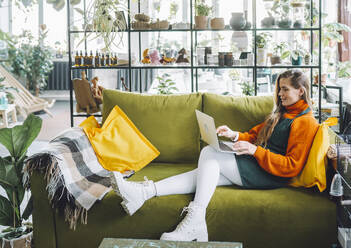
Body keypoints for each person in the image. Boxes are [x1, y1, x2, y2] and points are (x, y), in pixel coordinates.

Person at [110, 69, 319, 242]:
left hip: (271, 175)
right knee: (204, 174)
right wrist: (235, 135)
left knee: (210, 152)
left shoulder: (305, 121)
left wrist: (255, 151)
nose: (280, 94)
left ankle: (195, 219)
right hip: (259, 165)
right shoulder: (283, 112)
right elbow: (255, 135)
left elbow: (292, 166)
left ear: (301, 91)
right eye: (279, 89)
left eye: (285, 89)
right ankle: (144, 192)